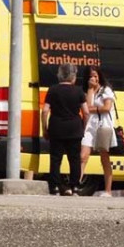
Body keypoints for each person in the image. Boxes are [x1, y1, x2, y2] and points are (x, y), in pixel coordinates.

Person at [42, 63, 89, 196]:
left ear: (59, 76)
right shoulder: (79, 91)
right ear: (73, 77)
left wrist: (44, 128)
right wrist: (83, 126)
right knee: (74, 159)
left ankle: (55, 187)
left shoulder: (52, 90)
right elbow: (86, 112)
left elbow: (45, 110)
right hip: (74, 128)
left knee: (56, 159)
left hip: (56, 128)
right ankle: (74, 187)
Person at [80, 66, 116, 197]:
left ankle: (108, 190)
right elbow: (87, 106)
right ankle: (76, 185)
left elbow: (106, 107)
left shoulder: (106, 90)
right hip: (90, 126)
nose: (93, 78)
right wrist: (90, 89)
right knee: (83, 156)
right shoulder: (87, 91)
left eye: (95, 76)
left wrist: (92, 108)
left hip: (103, 126)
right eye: (91, 76)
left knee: (104, 157)